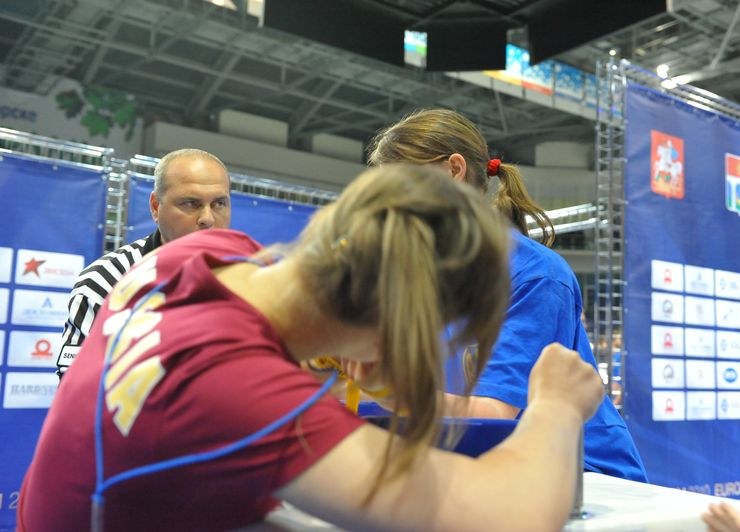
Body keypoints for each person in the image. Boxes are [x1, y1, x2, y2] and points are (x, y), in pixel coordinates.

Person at [19, 165, 605, 531]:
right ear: (397, 326)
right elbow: (510, 516)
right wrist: (555, 406)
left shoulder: (196, 255)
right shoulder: (249, 395)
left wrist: (320, 352)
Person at [367, 108, 648, 482]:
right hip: (480, 462)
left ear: (454, 169)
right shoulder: (419, 275)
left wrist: (384, 390)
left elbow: (492, 415)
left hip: (586, 475)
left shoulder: (536, 275)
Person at [56, 148, 231, 379]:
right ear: (156, 207)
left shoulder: (249, 280)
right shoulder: (107, 280)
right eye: (190, 203)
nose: (207, 218)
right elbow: (77, 388)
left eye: (219, 203)